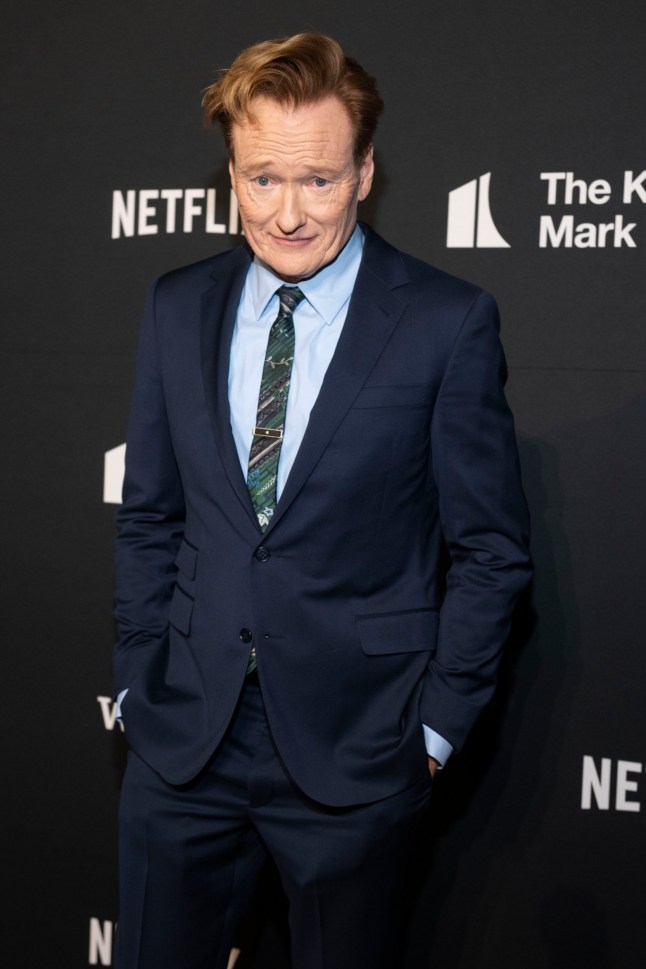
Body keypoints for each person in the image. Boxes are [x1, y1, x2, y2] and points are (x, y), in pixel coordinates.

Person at [113, 32, 531, 969]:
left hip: (359, 749)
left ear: (367, 171)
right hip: (185, 740)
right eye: (263, 179)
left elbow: (492, 550)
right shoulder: (175, 306)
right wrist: (141, 679)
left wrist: (430, 732)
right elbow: (149, 514)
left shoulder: (444, 321)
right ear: (230, 174)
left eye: (319, 181)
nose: (289, 213)